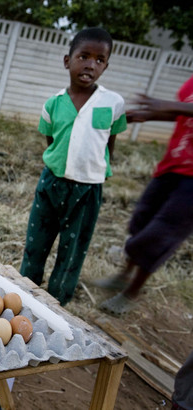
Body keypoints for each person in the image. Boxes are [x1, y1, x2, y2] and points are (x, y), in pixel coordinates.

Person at [19, 27, 127, 306]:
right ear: (68, 61)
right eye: (84, 56)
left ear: (106, 65)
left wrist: (96, 169)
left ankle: (56, 305)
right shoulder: (53, 104)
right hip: (52, 183)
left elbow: (109, 142)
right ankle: (24, 294)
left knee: (73, 250)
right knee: (36, 244)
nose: (91, 64)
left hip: (88, 189)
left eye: (99, 59)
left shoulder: (113, 103)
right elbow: (52, 140)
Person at [94, 74, 193, 315]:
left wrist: (168, 105)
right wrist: (150, 115)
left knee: (161, 233)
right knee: (142, 219)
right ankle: (124, 275)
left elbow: (180, 108)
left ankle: (131, 292)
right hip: (174, 164)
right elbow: (183, 114)